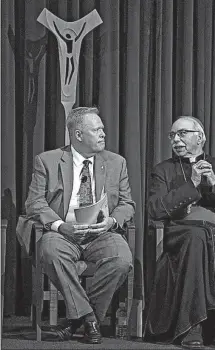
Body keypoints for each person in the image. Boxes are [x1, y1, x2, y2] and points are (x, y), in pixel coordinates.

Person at [24, 107, 135, 344]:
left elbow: (127, 204)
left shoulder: (117, 162)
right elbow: (34, 203)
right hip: (64, 232)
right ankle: (89, 319)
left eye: (103, 129)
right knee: (50, 251)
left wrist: (111, 222)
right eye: (97, 130)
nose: (103, 134)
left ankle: (79, 319)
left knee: (122, 259)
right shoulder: (47, 160)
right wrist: (59, 225)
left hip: (100, 233)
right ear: (78, 135)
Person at [143, 116, 215, 349]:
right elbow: (155, 210)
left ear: (200, 137)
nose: (176, 139)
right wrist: (192, 185)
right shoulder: (163, 170)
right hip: (182, 232)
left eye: (182, 133)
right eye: (172, 135)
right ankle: (191, 324)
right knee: (197, 238)